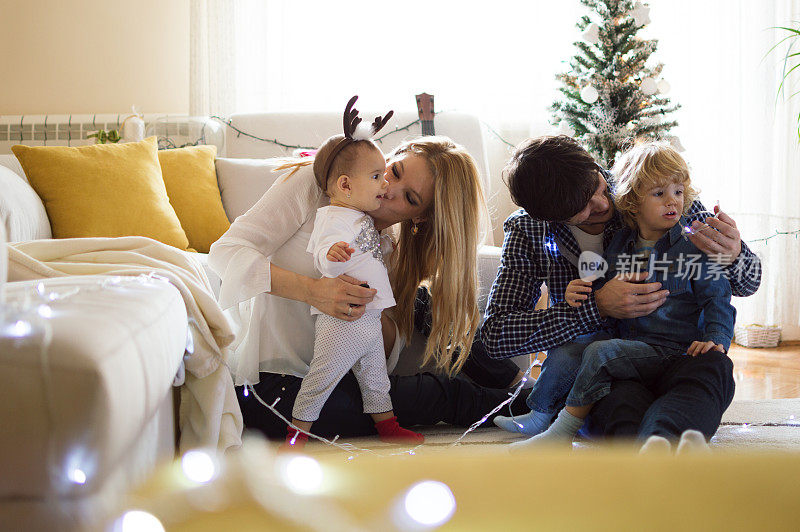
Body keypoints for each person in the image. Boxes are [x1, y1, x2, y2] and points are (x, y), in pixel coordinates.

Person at [208, 100, 527, 442]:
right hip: (273, 382)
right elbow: (225, 253)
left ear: (420, 217)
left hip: (343, 377)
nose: (388, 188)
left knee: (428, 305)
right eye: (396, 170)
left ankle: (525, 390)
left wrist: (377, 324)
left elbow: (380, 357)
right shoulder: (316, 185)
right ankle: (532, 403)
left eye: (409, 198)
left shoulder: (387, 246)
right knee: (443, 395)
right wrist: (313, 291)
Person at [485, 135, 760, 443]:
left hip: (677, 356)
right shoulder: (529, 230)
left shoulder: (649, 189)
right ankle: (648, 456)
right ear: (550, 216)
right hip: (606, 372)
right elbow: (496, 336)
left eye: (599, 187)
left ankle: (667, 443)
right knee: (620, 403)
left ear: (592, 163)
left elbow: (747, 282)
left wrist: (735, 256)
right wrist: (596, 307)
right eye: (584, 208)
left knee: (713, 367)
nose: (603, 204)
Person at [284, 99, 423, 448]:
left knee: (375, 376)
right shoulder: (334, 217)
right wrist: (333, 256)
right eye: (377, 177)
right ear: (345, 186)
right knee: (324, 375)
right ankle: (297, 433)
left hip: (367, 313)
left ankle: (387, 425)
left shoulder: (360, 216)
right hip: (343, 317)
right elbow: (323, 258)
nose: (384, 185)